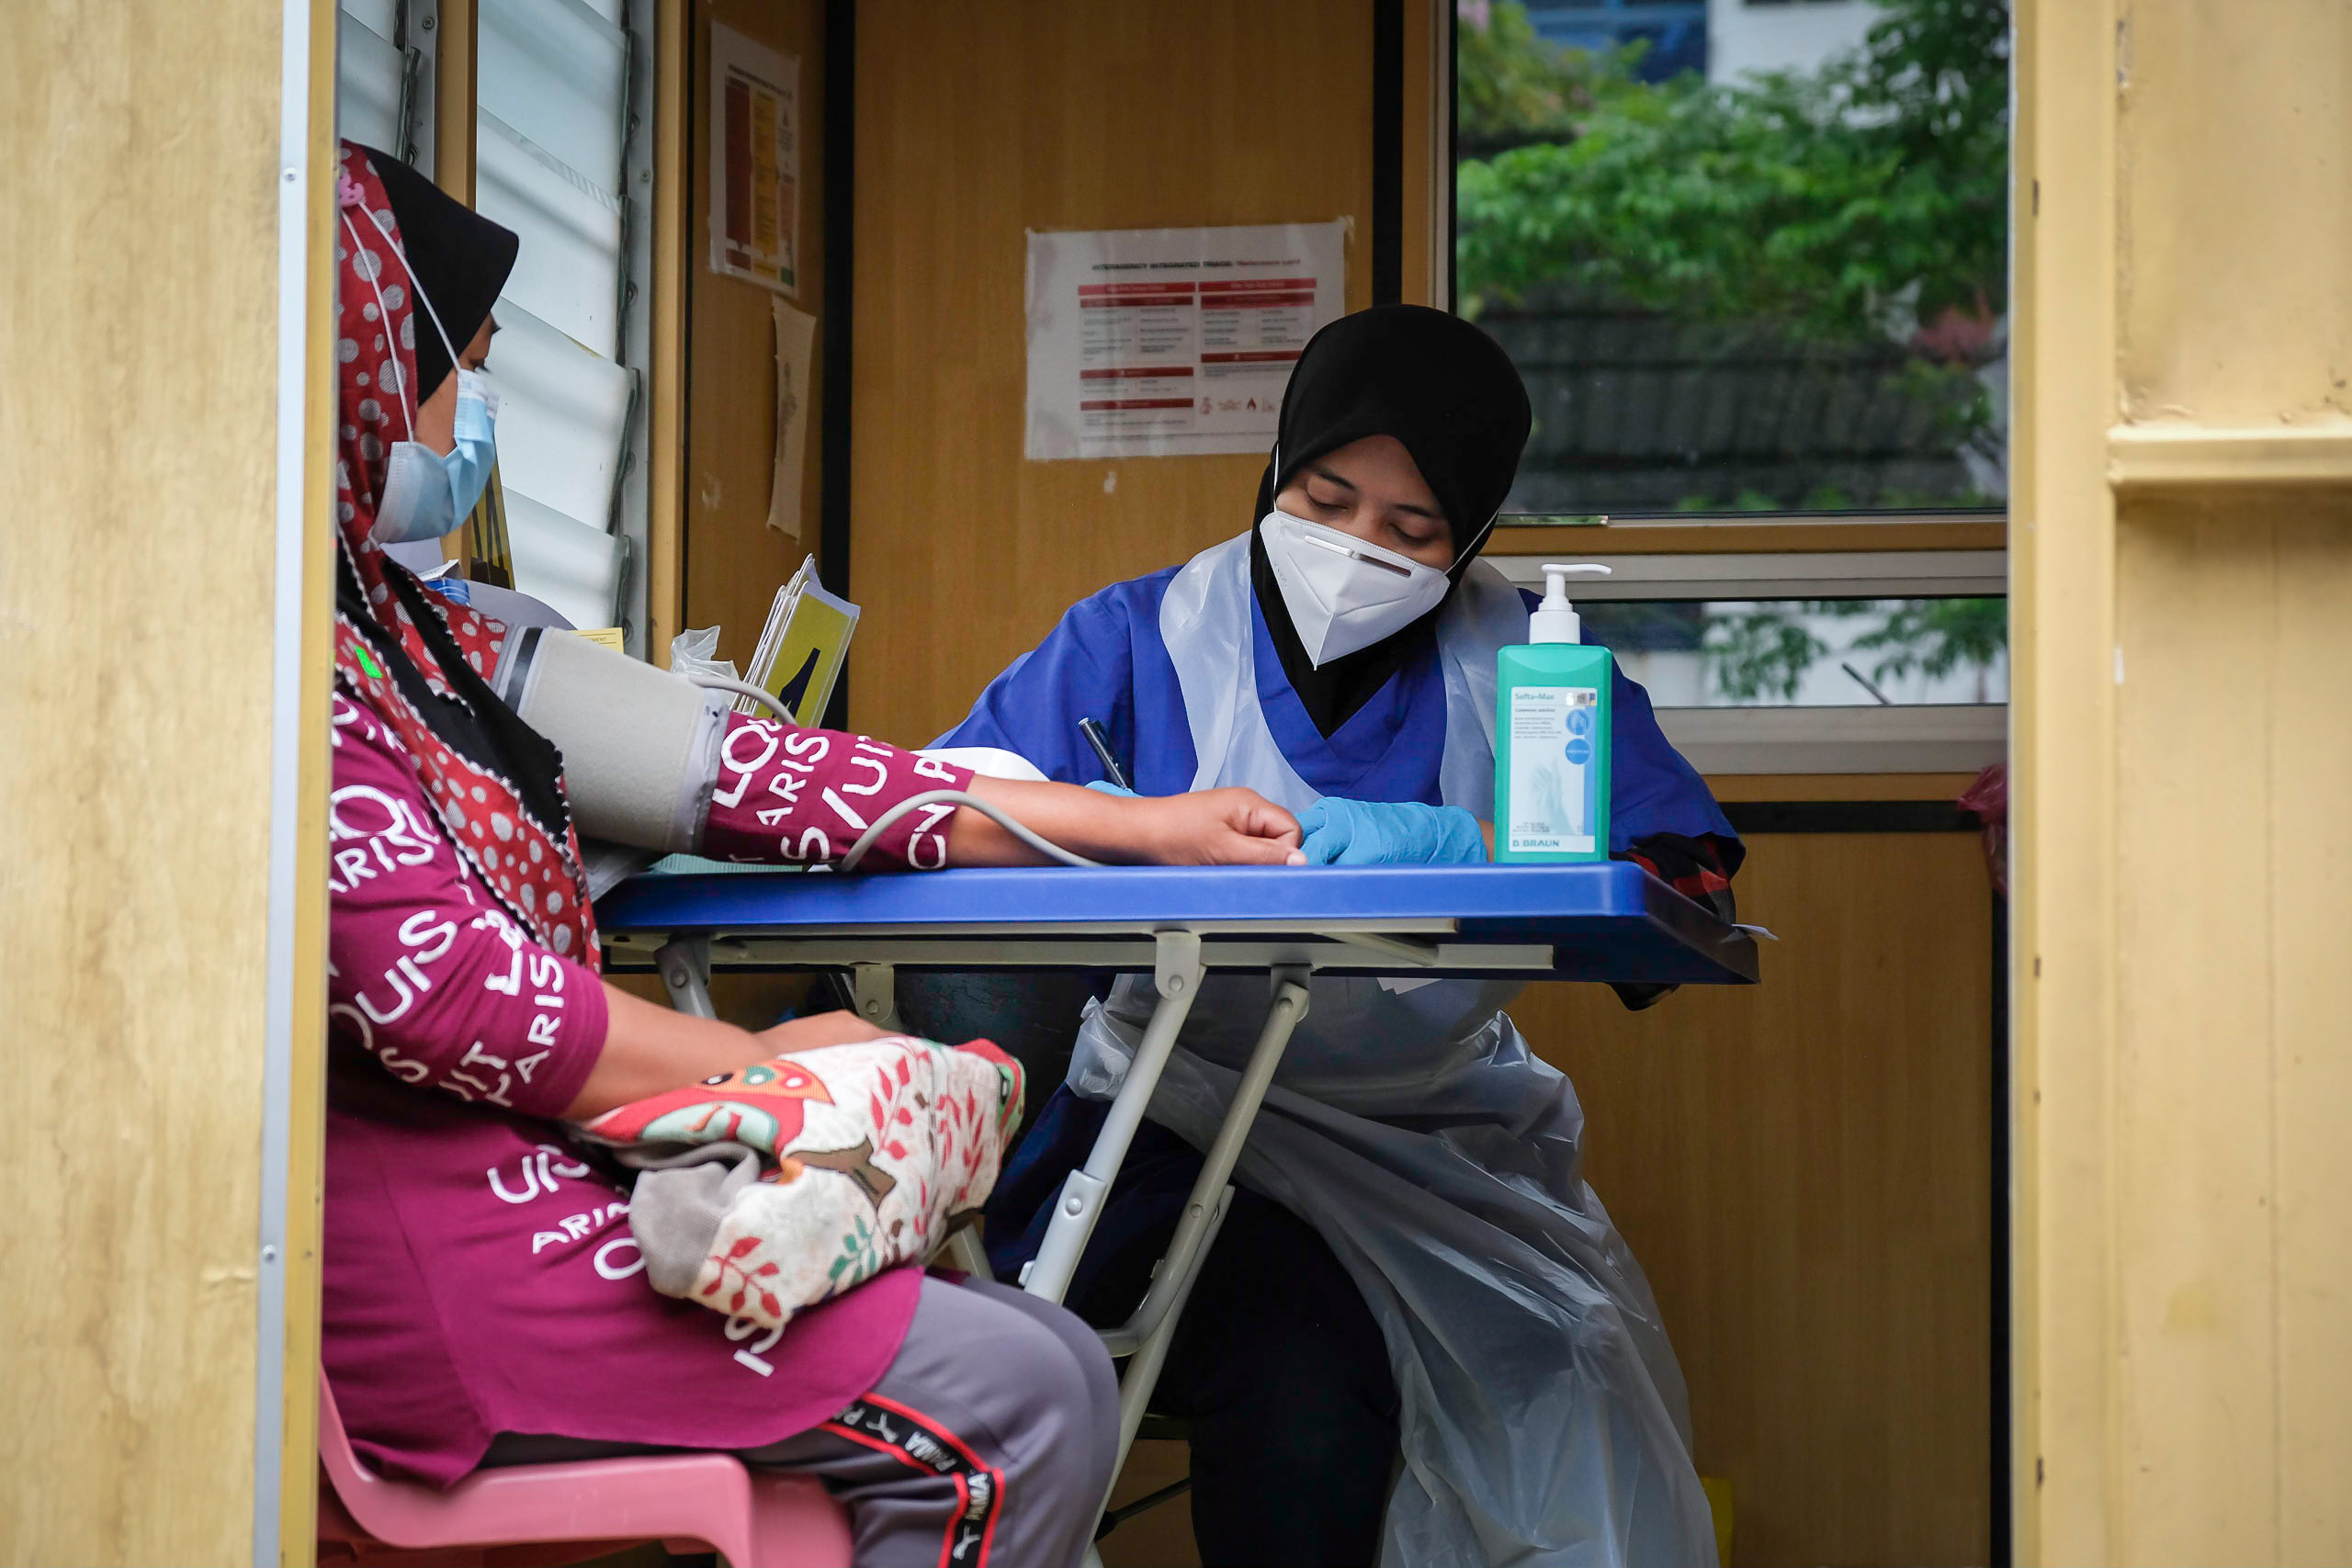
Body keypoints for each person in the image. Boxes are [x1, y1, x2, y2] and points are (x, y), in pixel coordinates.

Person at [321, 141, 1305, 1568]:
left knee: (1058, 1354)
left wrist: (1137, 822)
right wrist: (787, 1077)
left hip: (538, 1187)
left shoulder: (422, 632)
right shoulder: (288, 663)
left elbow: (768, 775)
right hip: (443, 1253)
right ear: (359, 366)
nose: (471, 414)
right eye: (455, 364)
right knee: (1024, 1398)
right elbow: (454, 995)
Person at [936, 306, 1745, 1566]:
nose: (1358, 549)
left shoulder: (1533, 672)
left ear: (1469, 535)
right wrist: (1122, 830)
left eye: (1412, 530)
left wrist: (1488, 850)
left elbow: (1683, 881)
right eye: (1325, 501)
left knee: (1560, 1366)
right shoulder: (1136, 641)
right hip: (1172, 1128)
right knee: (1304, 1385)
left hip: (1437, 1139)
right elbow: (949, 805)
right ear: (1274, 472)